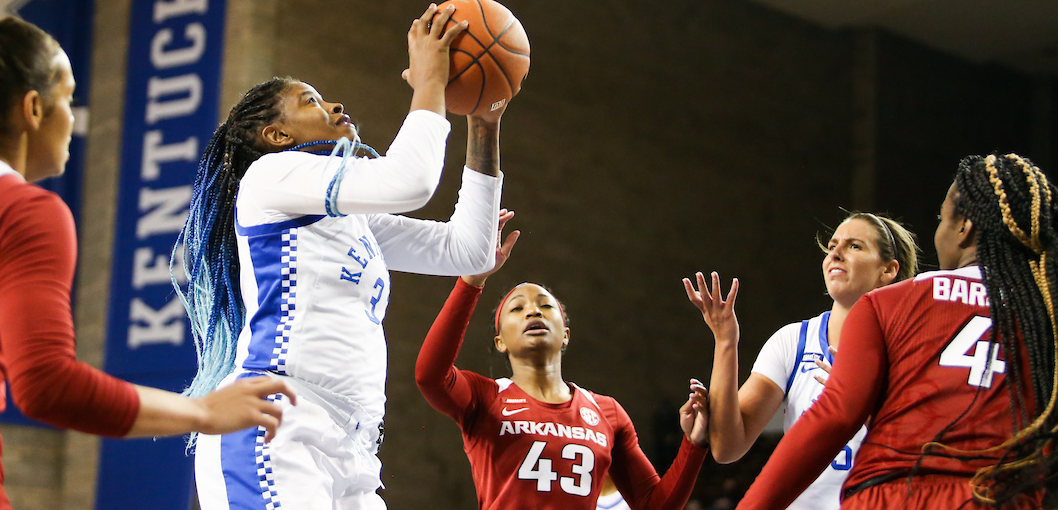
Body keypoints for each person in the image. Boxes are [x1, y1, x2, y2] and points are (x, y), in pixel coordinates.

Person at [0, 0, 291, 510]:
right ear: (33, 109)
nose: (72, 117)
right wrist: (203, 412)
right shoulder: (19, 208)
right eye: (67, 98)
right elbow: (46, 385)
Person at [180, 2, 506, 510]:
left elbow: (469, 250)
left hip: (353, 446)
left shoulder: (352, 219)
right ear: (278, 136)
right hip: (276, 424)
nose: (334, 106)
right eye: (311, 101)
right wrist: (430, 83)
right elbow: (410, 182)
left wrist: (482, 126)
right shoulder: (270, 176)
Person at [734, 154, 1055, 510]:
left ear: (964, 227)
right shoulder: (1046, 315)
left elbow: (834, 418)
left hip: (896, 494)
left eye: (942, 219)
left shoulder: (887, 304)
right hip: (1001, 497)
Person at [415, 215, 709, 509]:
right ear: (500, 341)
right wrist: (472, 281)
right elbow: (430, 376)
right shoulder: (485, 397)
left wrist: (693, 444)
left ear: (565, 335)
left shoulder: (608, 413)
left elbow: (654, 505)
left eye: (545, 306)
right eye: (517, 308)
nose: (533, 311)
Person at [683, 212, 918, 510]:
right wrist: (725, 340)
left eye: (855, 246)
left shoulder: (912, 347)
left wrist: (860, 404)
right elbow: (727, 447)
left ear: (888, 270)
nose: (836, 253)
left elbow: (926, 451)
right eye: (832, 245)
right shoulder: (793, 341)